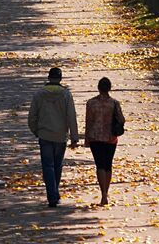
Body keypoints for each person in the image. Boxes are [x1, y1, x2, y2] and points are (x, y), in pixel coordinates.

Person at [28, 67, 78, 208]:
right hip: (60, 136)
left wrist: (36, 131)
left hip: (45, 135)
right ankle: (55, 193)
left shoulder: (39, 95)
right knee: (57, 165)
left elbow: (32, 117)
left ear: (49, 78)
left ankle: (52, 195)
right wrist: (74, 136)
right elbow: (71, 116)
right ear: (60, 79)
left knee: (47, 166)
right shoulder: (66, 95)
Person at [85, 77, 125, 206]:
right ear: (110, 88)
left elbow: (88, 121)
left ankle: (102, 193)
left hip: (95, 137)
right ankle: (106, 193)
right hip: (110, 138)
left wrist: (87, 139)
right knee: (108, 165)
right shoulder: (114, 103)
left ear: (98, 88)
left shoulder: (91, 103)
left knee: (99, 165)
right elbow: (122, 119)